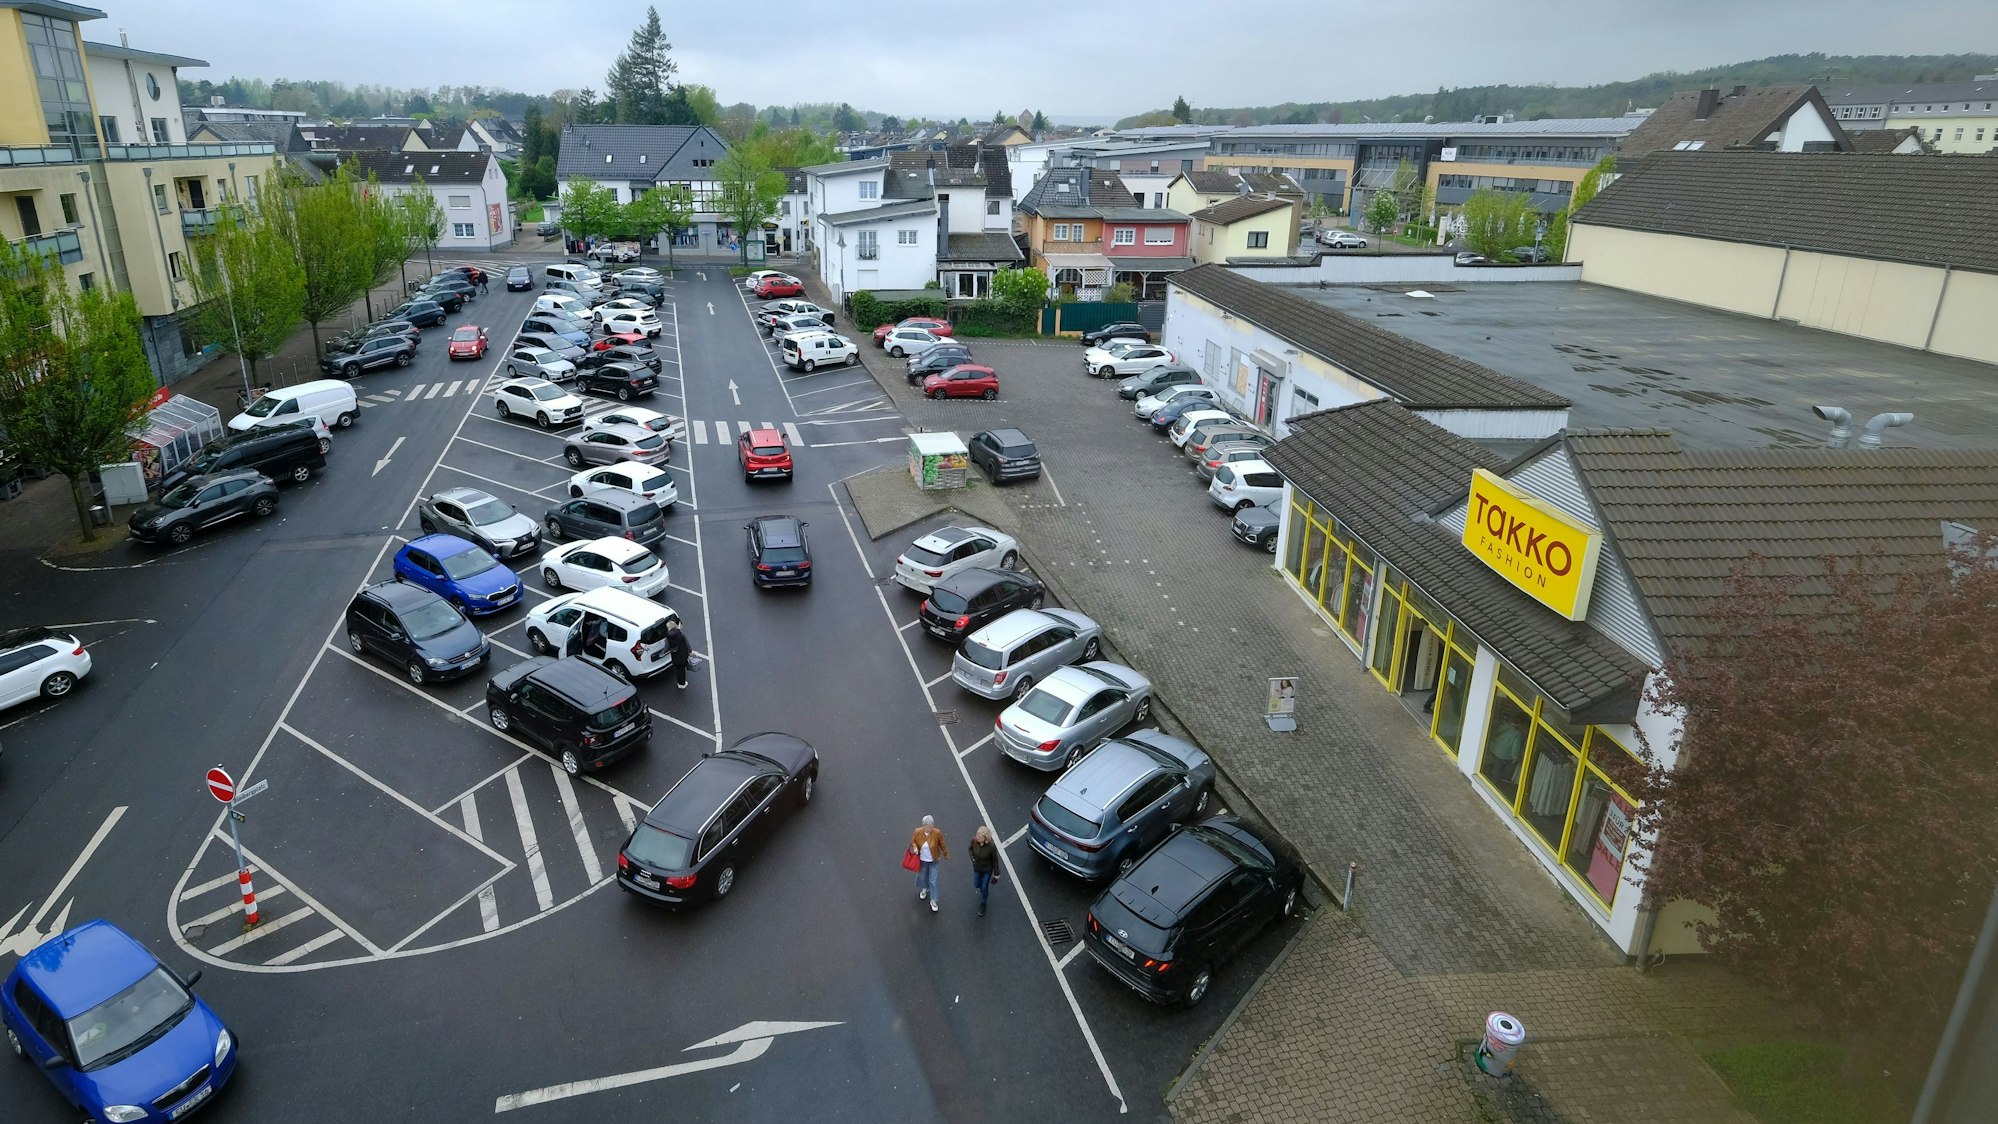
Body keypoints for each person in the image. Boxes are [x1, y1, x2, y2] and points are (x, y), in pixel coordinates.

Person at [909, 816, 948, 913]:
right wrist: (915, 848)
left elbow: (942, 844)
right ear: (924, 826)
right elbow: (913, 841)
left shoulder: (937, 833)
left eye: (932, 826)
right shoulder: (918, 831)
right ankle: (925, 888)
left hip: (934, 860)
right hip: (922, 860)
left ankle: (933, 900)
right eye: (929, 826)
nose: (931, 828)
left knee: (933, 880)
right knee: (923, 876)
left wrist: (945, 854)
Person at [968, 826, 1000, 917]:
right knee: (977, 884)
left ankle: (983, 903)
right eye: (977, 834)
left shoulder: (991, 847)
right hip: (977, 868)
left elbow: (995, 860)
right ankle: (983, 889)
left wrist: (997, 873)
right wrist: (972, 858)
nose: (977, 837)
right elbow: (970, 849)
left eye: (979, 835)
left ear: (985, 838)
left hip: (987, 870)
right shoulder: (974, 841)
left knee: (984, 886)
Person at [665, 619, 693, 689]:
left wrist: (664, 651)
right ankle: (682, 683)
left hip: (674, 655)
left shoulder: (667, 637)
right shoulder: (680, 633)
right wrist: (690, 650)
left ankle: (679, 683)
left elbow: (666, 648)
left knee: (677, 669)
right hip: (682, 653)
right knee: (682, 669)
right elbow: (687, 643)